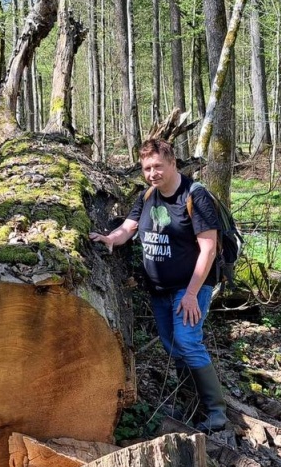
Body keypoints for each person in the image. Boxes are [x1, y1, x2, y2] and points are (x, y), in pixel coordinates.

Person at [90, 138, 229, 433]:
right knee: (173, 345)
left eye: (157, 166)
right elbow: (129, 227)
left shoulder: (195, 196)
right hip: (159, 289)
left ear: (173, 163)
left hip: (190, 288)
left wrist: (192, 294)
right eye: (146, 168)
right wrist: (111, 239)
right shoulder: (147, 195)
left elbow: (209, 249)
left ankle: (216, 411)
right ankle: (191, 402)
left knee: (189, 342)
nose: (152, 173)